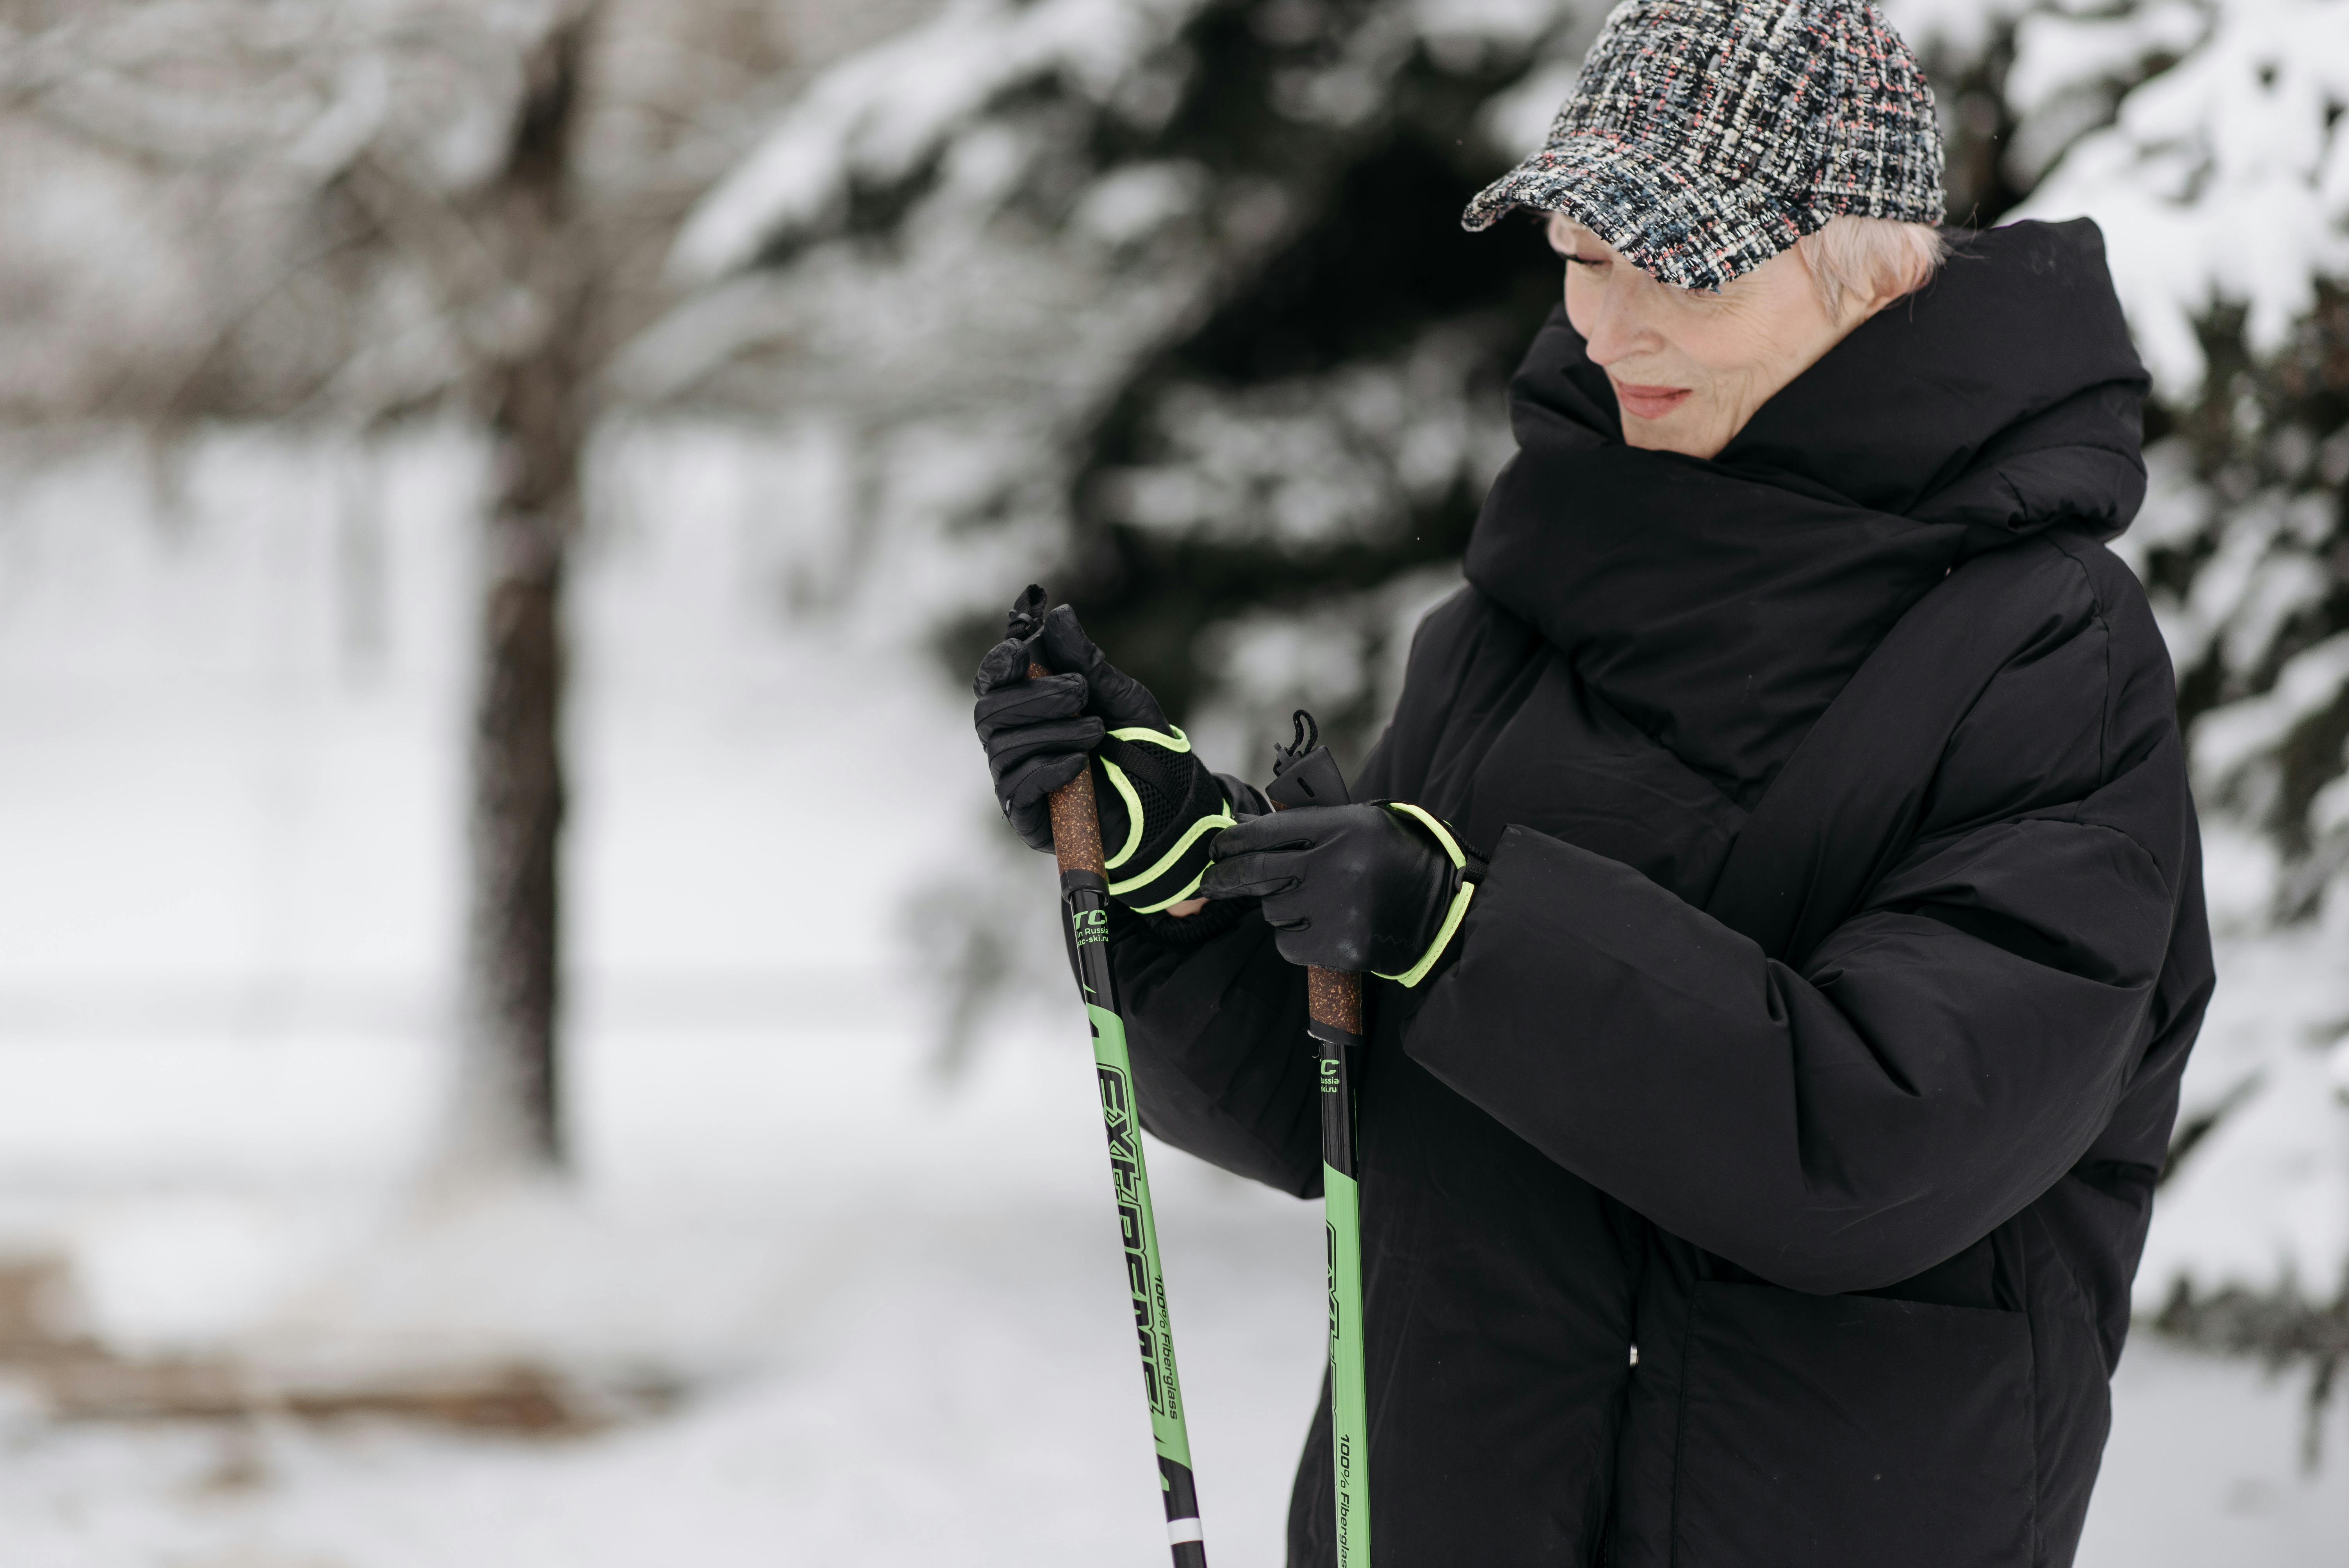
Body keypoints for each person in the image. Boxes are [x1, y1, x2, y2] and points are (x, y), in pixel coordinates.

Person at [971, 0, 2213, 1561]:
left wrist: (1462, 931)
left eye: (1674, 264)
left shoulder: (2045, 658)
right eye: (1580, 255)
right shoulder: (1512, 619)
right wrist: (1178, 876)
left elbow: (1877, 1142)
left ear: (1863, 266)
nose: (1607, 326)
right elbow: (1335, 1102)